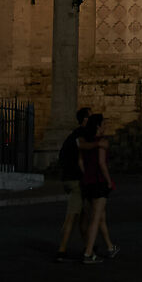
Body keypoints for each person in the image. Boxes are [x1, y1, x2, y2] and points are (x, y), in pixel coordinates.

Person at [77, 111, 118, 264]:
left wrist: (86, 175)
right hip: (99, 182)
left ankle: (110, 247)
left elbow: (81, 162)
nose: (105, 126)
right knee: (95, 219)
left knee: (99, 217)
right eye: (103, 124)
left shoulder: (83, 142)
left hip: (87, 182)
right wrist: (109, 181)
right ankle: (88, 253)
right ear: (98, 126)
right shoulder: (102, 142)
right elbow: (102, 164)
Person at [52, 108, 92, 261]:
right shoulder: (81, 134)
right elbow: (82, 151)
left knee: (83, 215)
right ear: (85, 119)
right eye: (90, 116)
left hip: (69, 178)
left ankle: (89, 246)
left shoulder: (73, 134)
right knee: (72, 216)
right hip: (75, 180)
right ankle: (61, 250)